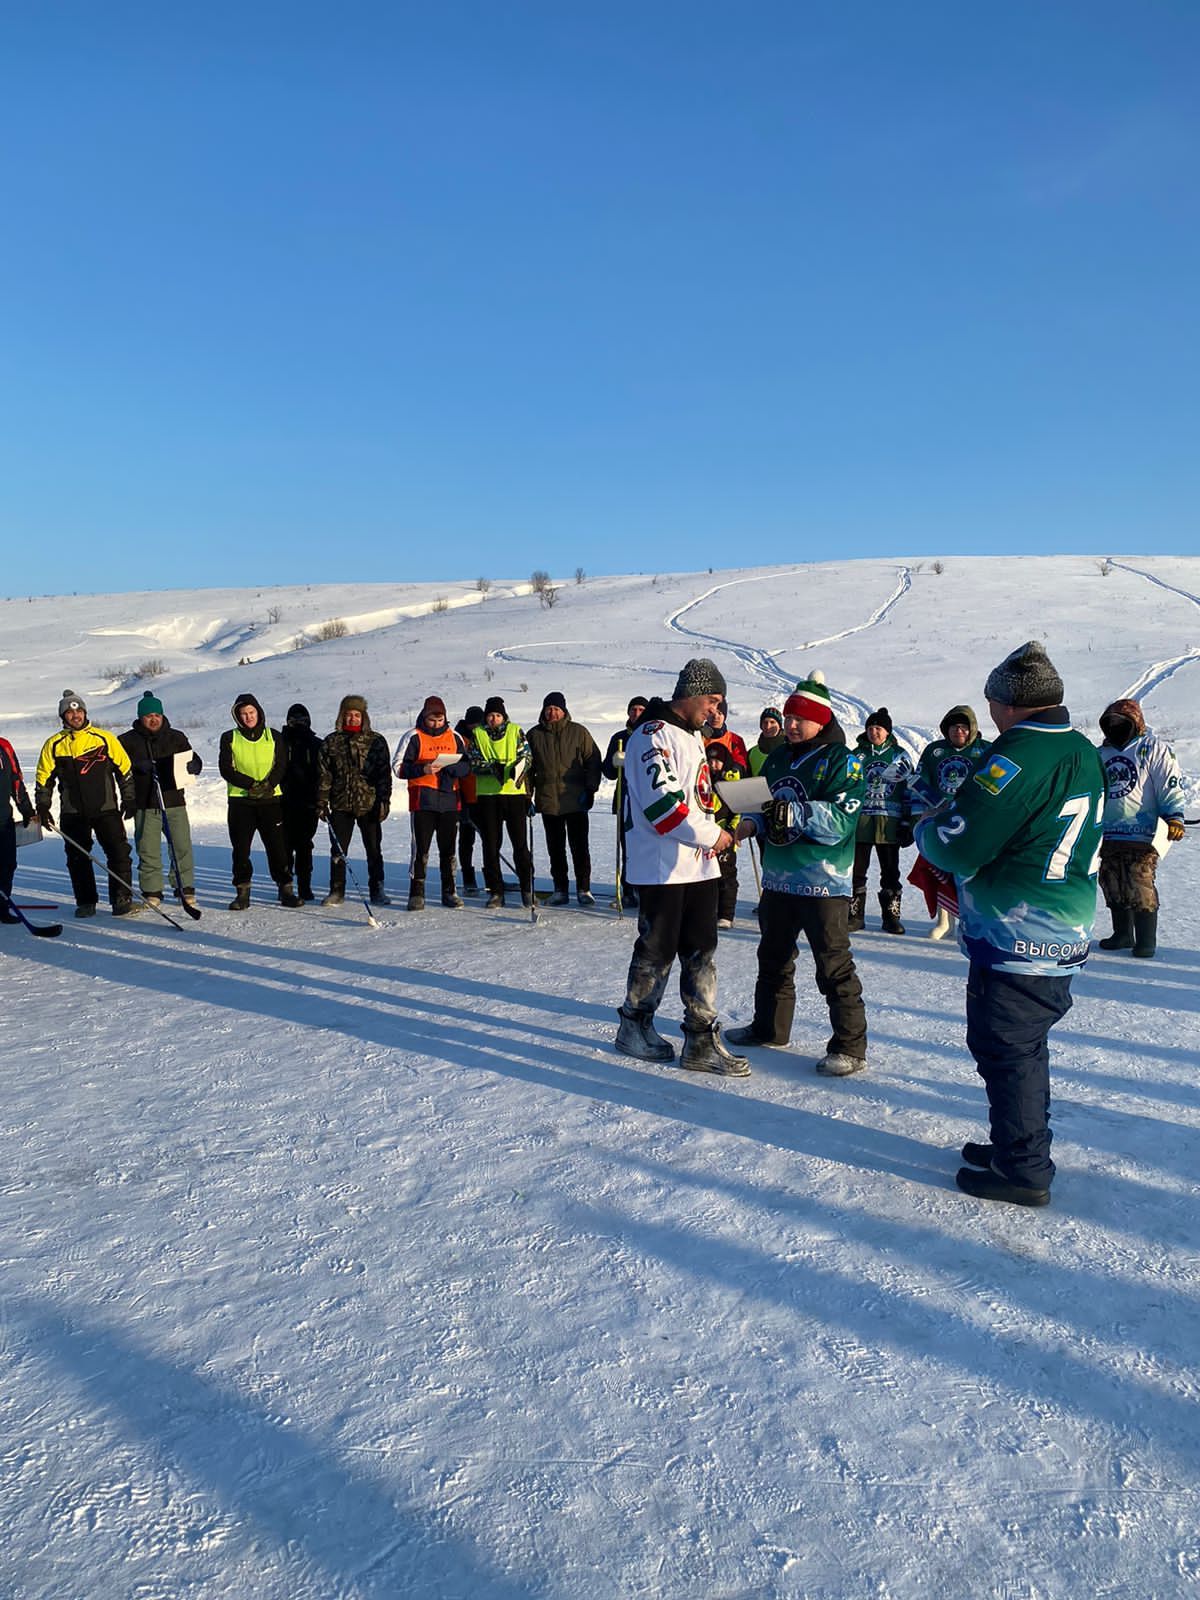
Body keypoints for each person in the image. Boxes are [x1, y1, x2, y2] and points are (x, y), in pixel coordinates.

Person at [915, 641, 1105, 1208]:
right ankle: (1016, 1145)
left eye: (993, 699)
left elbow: (959, 841)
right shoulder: (1079, 748)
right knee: (1024, 1045)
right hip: (1060, 928)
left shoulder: (1017, 756)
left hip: (1019, 931)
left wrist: (928, 826)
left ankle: (1024, 1168)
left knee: (1006, 1047)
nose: (990, 710)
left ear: (1011, 703)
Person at [727, 673, 869, 1075]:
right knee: (772, 957)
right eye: (788, 717)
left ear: (821, 720)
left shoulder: (844, 761)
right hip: (778, 879)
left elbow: (844, 818)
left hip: (823, 883)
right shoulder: (777, 758)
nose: (790, 725)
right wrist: (748, 821)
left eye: (798, 719)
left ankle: (850, 1046)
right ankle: (769, 1027)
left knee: (833, 965)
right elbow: (760, 803)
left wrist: (797, 813)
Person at [614, 658, 748, 1076]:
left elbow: (699, 801)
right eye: (712, 700)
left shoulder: (692, 737)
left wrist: (725, 827)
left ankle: (701, 1039)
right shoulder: (651, 737)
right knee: (656, 951)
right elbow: (664, 810)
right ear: (691, 694)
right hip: (663, 869)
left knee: (701, 953)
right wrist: (715, 837)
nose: (716, 711)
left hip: (699, 867)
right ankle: (634, 1026)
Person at [1095, 697, 1186, 958]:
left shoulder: (1153, 749)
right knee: (1111, 880)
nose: (1115, 726)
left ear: (1134, 722)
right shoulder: (1101, 754)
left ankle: (1146, 939)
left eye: (1120, 722)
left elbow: (1168, 784)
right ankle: (1123, 933)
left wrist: (1175, 817)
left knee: (1139, 881)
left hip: (1144, 832)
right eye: (1110, 722)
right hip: (1109, 833)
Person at [35, 689, 137, 917]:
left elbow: (125, 770)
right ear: (63, 717)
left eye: (79, 711)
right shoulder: (54, 744)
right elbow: (43, 779)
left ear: (85, 713)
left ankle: (121, 897)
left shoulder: (104, 738)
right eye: (70, 713)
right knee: (77, 857)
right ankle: (86, 901)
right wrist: (42, 806)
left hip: (106, 808)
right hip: (73, 812)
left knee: (119, 853)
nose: (76, 716)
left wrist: (129, 798)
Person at [908, 706, 989, 939]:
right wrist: (919, 816)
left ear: (972, 728)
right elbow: (920, 781)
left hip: (973, 822)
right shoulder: (935, 751)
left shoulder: (985, 750)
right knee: (940, 868)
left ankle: (971, 921)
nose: (959, 731)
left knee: (971, 873)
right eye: (955, 727)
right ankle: (945, 921)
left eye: (964, 727)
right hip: (940, 821)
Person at [119, 691, 203, 910]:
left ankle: (184, 886)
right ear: (140, 717)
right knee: (147, 848)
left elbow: (192, 758)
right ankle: (152, 890)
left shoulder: (176, 737)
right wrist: (137, 766)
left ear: (163, 715)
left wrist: (195, 765)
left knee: (181, 845)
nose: (153, 719)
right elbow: (117, 768)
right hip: (145, 802)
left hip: (173, 800)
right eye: (148, 715)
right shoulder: (127, 740)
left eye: (157, 714)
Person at [218, 693, 301, 910]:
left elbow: (281, 764)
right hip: (240, 801)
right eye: (243, 714)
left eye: (251, 712)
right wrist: (250, 785)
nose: (248, 717)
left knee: (278, 848)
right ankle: (242, 892)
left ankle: (286, 889)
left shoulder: (273, 736)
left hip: (270, 800)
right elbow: (226, 768)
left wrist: (268, 785)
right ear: (237, 716)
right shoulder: (229, 737)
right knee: (241, 849)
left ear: (259, 712)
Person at [394, 695, 471, 910]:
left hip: (449, 799)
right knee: (421, 848)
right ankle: (416, 891)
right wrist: (423, 769)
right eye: (432, 720)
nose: (436, 724)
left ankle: (450, 891)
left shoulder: (454, 737)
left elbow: (466, 766)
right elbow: (398, 766)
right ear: (424, 717)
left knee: (448, 849)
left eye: (440, 720)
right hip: (423, 799)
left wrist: (452, 767)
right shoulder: (413, 736)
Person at [527, 690, 602, 906]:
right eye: (548, 708)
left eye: (556, 709)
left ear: (564, 710)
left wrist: (590, 789)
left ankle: (583, 888)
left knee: (580, 847)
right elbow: (526, 769)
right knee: (555, 848)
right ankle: (560, 889)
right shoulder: (534, 735)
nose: (552, 712)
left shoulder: (579, 732)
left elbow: (593, 761)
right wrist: (527, 796)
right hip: (549, 801)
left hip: (576, 800)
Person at [319, 694, 393, 907]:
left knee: (373, 849)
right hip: (341, 803)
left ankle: (377, 888)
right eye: (348, 714)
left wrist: (384, 801)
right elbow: (324, 774)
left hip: (369, 803)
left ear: (364, 717)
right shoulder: (331, 741)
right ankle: (337, 889)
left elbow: (383, 774)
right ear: (342, 716)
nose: (352, 718)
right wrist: (322, 802)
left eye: (356, 715)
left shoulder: (376, 741)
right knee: (338, 849)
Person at [850, 708, 913, 935]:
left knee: (890, 871)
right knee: (857, 870)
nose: (874, 732)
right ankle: (855, 915)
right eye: (870, 728)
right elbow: (847, 788)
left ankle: (891, 917)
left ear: (887, 731)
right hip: (862, 822)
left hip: (889, 823)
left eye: (879, 728)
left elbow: (909, 789)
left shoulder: (899, 756)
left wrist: (908, 822)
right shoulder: (857, 755)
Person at [469, 696, 533, 908]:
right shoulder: (478, 734)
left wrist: (516, 770)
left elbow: (527, 757)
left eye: (497, 715)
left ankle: (527, 888)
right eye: (490, 715)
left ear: (503, 716)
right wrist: (490, 768)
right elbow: (473, 760)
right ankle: (496, 891)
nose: (494, 719)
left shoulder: (515, 731)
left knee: (520, 844)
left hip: (513, 794)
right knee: (491, 845)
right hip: (488, 797)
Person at [602, 695, 649, 908]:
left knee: (647, 847)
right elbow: (609, 773)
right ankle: (628, 891)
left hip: (647, 802)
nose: (636, 714)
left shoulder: (652, 735)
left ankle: (647, 891)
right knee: (627, 848)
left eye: (641, 710)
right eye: (633, 710)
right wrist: (615, 763)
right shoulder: (619, 738)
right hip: (624, 800)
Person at [280, 703, 323, 901]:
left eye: (302, 720)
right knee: (285, 846)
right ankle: (285, 885)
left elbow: (324, 774)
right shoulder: (279, 743)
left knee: (305, 845)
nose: (298, 724)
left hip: (308, 803)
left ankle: (305, 884)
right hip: (283, 803)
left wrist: (320, 800)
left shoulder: (316, 744)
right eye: (294, 720)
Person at [705, 739, 744, 930]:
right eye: (710, 761)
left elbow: (738, 812)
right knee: (707, 878)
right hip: (707, 837)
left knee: (726, 878)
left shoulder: (732, 781)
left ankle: (726, 914)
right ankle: (709, 911)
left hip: (727, 837)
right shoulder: (703, 781)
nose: (713, 765)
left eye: (717, 761)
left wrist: (732, 831)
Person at [0, 732, 35, 923]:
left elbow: (16, 780)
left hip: (3, 820)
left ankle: (2, 908)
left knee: (7, 866)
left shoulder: (3, 745)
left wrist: (26, 809)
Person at [455, 705, 485, 894]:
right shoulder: (458, 740)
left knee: (491, 841)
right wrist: (461, 801)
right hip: (465, 798)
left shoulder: (485, 737)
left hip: (484, 798)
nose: (475, 728)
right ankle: (468, 879)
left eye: (478, 724)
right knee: (466, 841)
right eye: (472, 724)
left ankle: (492, 876)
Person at [703, 698, 749, 769]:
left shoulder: (735, 740)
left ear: (724, 716)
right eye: (712, 713)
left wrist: (736, 769)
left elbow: (742, 763)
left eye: (719, 713)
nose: (715, 717)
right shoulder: (697, 737)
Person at [747, 707, 785, 776]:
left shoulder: (791, 749)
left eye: (772, 722)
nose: (768, 726)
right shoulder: (751, 753)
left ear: (779, 726)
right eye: (765, 722)